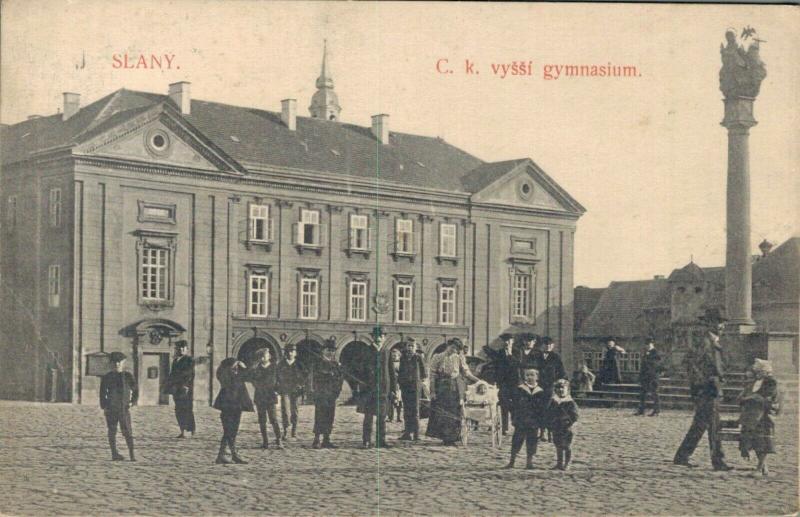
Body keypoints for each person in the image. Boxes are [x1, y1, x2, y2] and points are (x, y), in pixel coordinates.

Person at [673, 309, 733, 471]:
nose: (722, 326)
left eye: (723, 322)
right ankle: (718, 461)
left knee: (700, 424)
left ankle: (682, 456)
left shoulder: (714, 342)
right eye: (719, 322)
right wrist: (703, 383)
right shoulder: (704, 342)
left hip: (712, 390)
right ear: (709, 323)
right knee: (714, 425)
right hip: (706, 391)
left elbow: (719, 365)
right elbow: (690, 364)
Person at [426, 338, 483, 446]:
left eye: (456, 349)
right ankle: (445, 437)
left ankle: (452, 437)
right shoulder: (437, 357)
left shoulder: (459, 358)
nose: (454, 351)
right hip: (441, 387)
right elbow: (432, 376)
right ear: (448, 346)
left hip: (455, 387)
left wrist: (478, 381)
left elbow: (466, 373)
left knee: (454, 412)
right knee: (443, 413)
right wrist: (432, 391)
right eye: (453, 348)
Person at [738, 359, 780, 477]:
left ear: (765, 371)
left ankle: (759, 468)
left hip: (764, 416)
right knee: (756, 441)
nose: (756, 373)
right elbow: (744, 396)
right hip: (752, 416)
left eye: (758, 371)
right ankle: (763, 467)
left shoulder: (770, 382)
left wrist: (750, 398)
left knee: (762, 442)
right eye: (756, 371)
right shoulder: (754, 382)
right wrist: (748, 398)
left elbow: (764, 397)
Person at [213, 357, 254, 464]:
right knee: (229, 431)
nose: (236, 368)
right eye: (234, 366)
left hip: (237, 407)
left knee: (232, 432)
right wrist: (243, 367)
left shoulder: (235, 375)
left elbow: (250, 376)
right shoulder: (227, 376)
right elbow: (242, 374)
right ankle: (223, 455)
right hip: (229, 407)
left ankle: (231, 455)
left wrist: (243, 367)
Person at [505, 368, 548, 469]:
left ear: (537, 377)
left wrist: (541, 424)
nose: (529, 377)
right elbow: (514, 405)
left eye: (532, 375)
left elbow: (542, 409)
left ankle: (529, 462)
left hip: (534, 422)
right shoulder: (520, 389)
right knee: (517, 441)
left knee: (532, 441)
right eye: (527, 375)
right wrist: (515, 418)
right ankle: (512, 461)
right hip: (521, 420)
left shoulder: (540, 392)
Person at [99, 351, 138, 461]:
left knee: (127, 431)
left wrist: (132, 402)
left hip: (123, 408)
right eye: (114, 362)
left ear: (123, 362)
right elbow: (102, 393)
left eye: (119, 362)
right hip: (111, 408)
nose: (117, 364)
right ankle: (114, 453)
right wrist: (104, 406)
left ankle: (132, 454)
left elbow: (135, 390)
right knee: (112, 431)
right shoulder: (107, 377)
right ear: (111, 363)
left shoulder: (128, 376)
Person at [245, 348, 283, 450]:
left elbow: (280, 380)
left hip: (270, 396)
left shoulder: (275, 367)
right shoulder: (256, 369)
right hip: (260, 397)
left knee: (273, 419)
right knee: (262, 420)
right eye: (263, 355)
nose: (265, 356)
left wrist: (277, 390)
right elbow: (251, 378)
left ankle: (279, 440)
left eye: (266, 354)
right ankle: (265, 441)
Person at [310, 340, 343, 449]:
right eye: (329, 350)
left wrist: (337, 392)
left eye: (333, 350)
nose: (331, 353)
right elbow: (316, 378)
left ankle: (326, 439)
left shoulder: (335, 364)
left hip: (331, 395)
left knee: (330, 417)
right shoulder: (318, 363)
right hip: (321, 394)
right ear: (323, 351)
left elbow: (340, 379)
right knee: (320, 416)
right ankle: (316, 439)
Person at [357, 355, 391, 449]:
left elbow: (390, 372)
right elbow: (360, 372)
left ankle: (381, 440)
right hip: (369, 391)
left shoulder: (386, 352)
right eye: (376, 338)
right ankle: (366, 440)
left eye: (381, 338)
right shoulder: (367, 351)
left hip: (383, 390)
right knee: (368, 417)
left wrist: (392, 389)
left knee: (382, 417)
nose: (379, 339)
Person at [536, 336, 567, 441]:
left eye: (550, 345)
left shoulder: (556, 357)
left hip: (550, 386)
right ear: (542, 346)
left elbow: (561, 372)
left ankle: (549, 432)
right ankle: (542, 431)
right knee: (539, 409)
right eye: (546, 345)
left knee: (549, 409)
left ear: (552, 346)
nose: (548, 347)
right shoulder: (536, 356)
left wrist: (561, 380)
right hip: (537, 386)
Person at [163, 340, 195, 438]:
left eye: (183, 348)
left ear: (186, 349)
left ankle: (190, 429)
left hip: (185, 389)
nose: (181, 349)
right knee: (178, 410)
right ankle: (182, 430)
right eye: (179, 348)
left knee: (186, 409)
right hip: (176, 389)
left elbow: (189, 374)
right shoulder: (175, 360)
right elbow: (172, 374)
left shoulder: (189, 360)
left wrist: (185, 385)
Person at [398, 338, 427, 441]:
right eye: (408, 346)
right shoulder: (403, 358)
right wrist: (400, 383)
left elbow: (424, 374)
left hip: (415, 387)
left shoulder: (418, 358)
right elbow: (401, 371)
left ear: (416, 347)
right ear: (406, 347)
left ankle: (416, 434)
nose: (410, 348)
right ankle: (407, 433)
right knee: (406, 410)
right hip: (405, 387)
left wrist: (418, 382)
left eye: (412, 346)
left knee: (415, 410)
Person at [547, 379, 579, 470]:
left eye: (562, 388)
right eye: (558, 388)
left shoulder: (570, 402)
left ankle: (567, 463)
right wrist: (549, 424)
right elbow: (549, 413)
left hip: (567, 427)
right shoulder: (554, 401)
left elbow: (575, 416)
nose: (560, 390)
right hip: (556, 426)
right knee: (558, 445)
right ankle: (559, 463)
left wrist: (569, 422)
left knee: (567, 445)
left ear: (567, 389)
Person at [493, 333, 520, 436]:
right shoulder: (499, 353)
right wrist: (496, 381)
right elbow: (497, 367)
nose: (507, 343)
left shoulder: (517, 352)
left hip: (515, 383)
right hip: (503, 383)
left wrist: (509, 355)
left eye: (509, 341)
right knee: (503, 404)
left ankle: (516, 424)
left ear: (512, 341)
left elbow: (517, 363)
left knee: (516, 405)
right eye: (505, 341)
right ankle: (504, 427)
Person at [277, 344, 305, 440]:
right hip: (285, 391)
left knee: (295, 411)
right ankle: (285, 431)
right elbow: (276, 377)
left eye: (292, 351)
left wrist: (301, 385)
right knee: (285, 411)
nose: (290, 353)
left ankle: (294, 430)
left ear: (295, 353)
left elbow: (305, 376)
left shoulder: (299, 364)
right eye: (289, 351)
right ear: (286, 353)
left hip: (296, 391)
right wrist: (278, 388)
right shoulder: (281, 364)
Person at [636, 339, 663, 416]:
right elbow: (643, 366)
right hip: (645, 376)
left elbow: (657, 365)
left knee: (654, 393)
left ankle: (656, 411)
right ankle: (641, 410)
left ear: (652, 344)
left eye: (649, 344)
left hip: (653, 376)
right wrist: (640, 376)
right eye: (646, 344)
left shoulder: (656, 353)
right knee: (642, 394)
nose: (647, 346)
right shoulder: (645, 353)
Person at [387, 348, 403, 423]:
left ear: (399, 356)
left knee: (399, 402)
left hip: (398, 385)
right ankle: (391, 417)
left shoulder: (401, 364)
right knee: (391, 401)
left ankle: (399, 417)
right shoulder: (389, 364)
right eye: (392, 355)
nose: (394, 357)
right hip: (391, 384)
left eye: (395, 355)